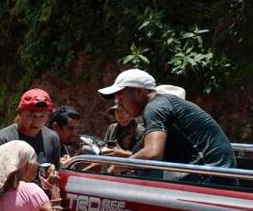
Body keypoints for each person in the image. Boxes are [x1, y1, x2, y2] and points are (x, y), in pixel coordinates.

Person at [99, 68, 235, 171]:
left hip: (210, 174)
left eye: (121, 99)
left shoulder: (154, 108)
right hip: (215, 171)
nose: (120, 106)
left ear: (138, 92)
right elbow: (140, 152)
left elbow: (153, 153)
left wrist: (123, 166)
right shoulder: (160, 107)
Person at [0, 89, 62, 171]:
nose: (36, 122)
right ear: (20, 113)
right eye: (31, 115)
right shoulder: (1, 140)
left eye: (42, 116)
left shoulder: (52, 138)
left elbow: (56, 171)